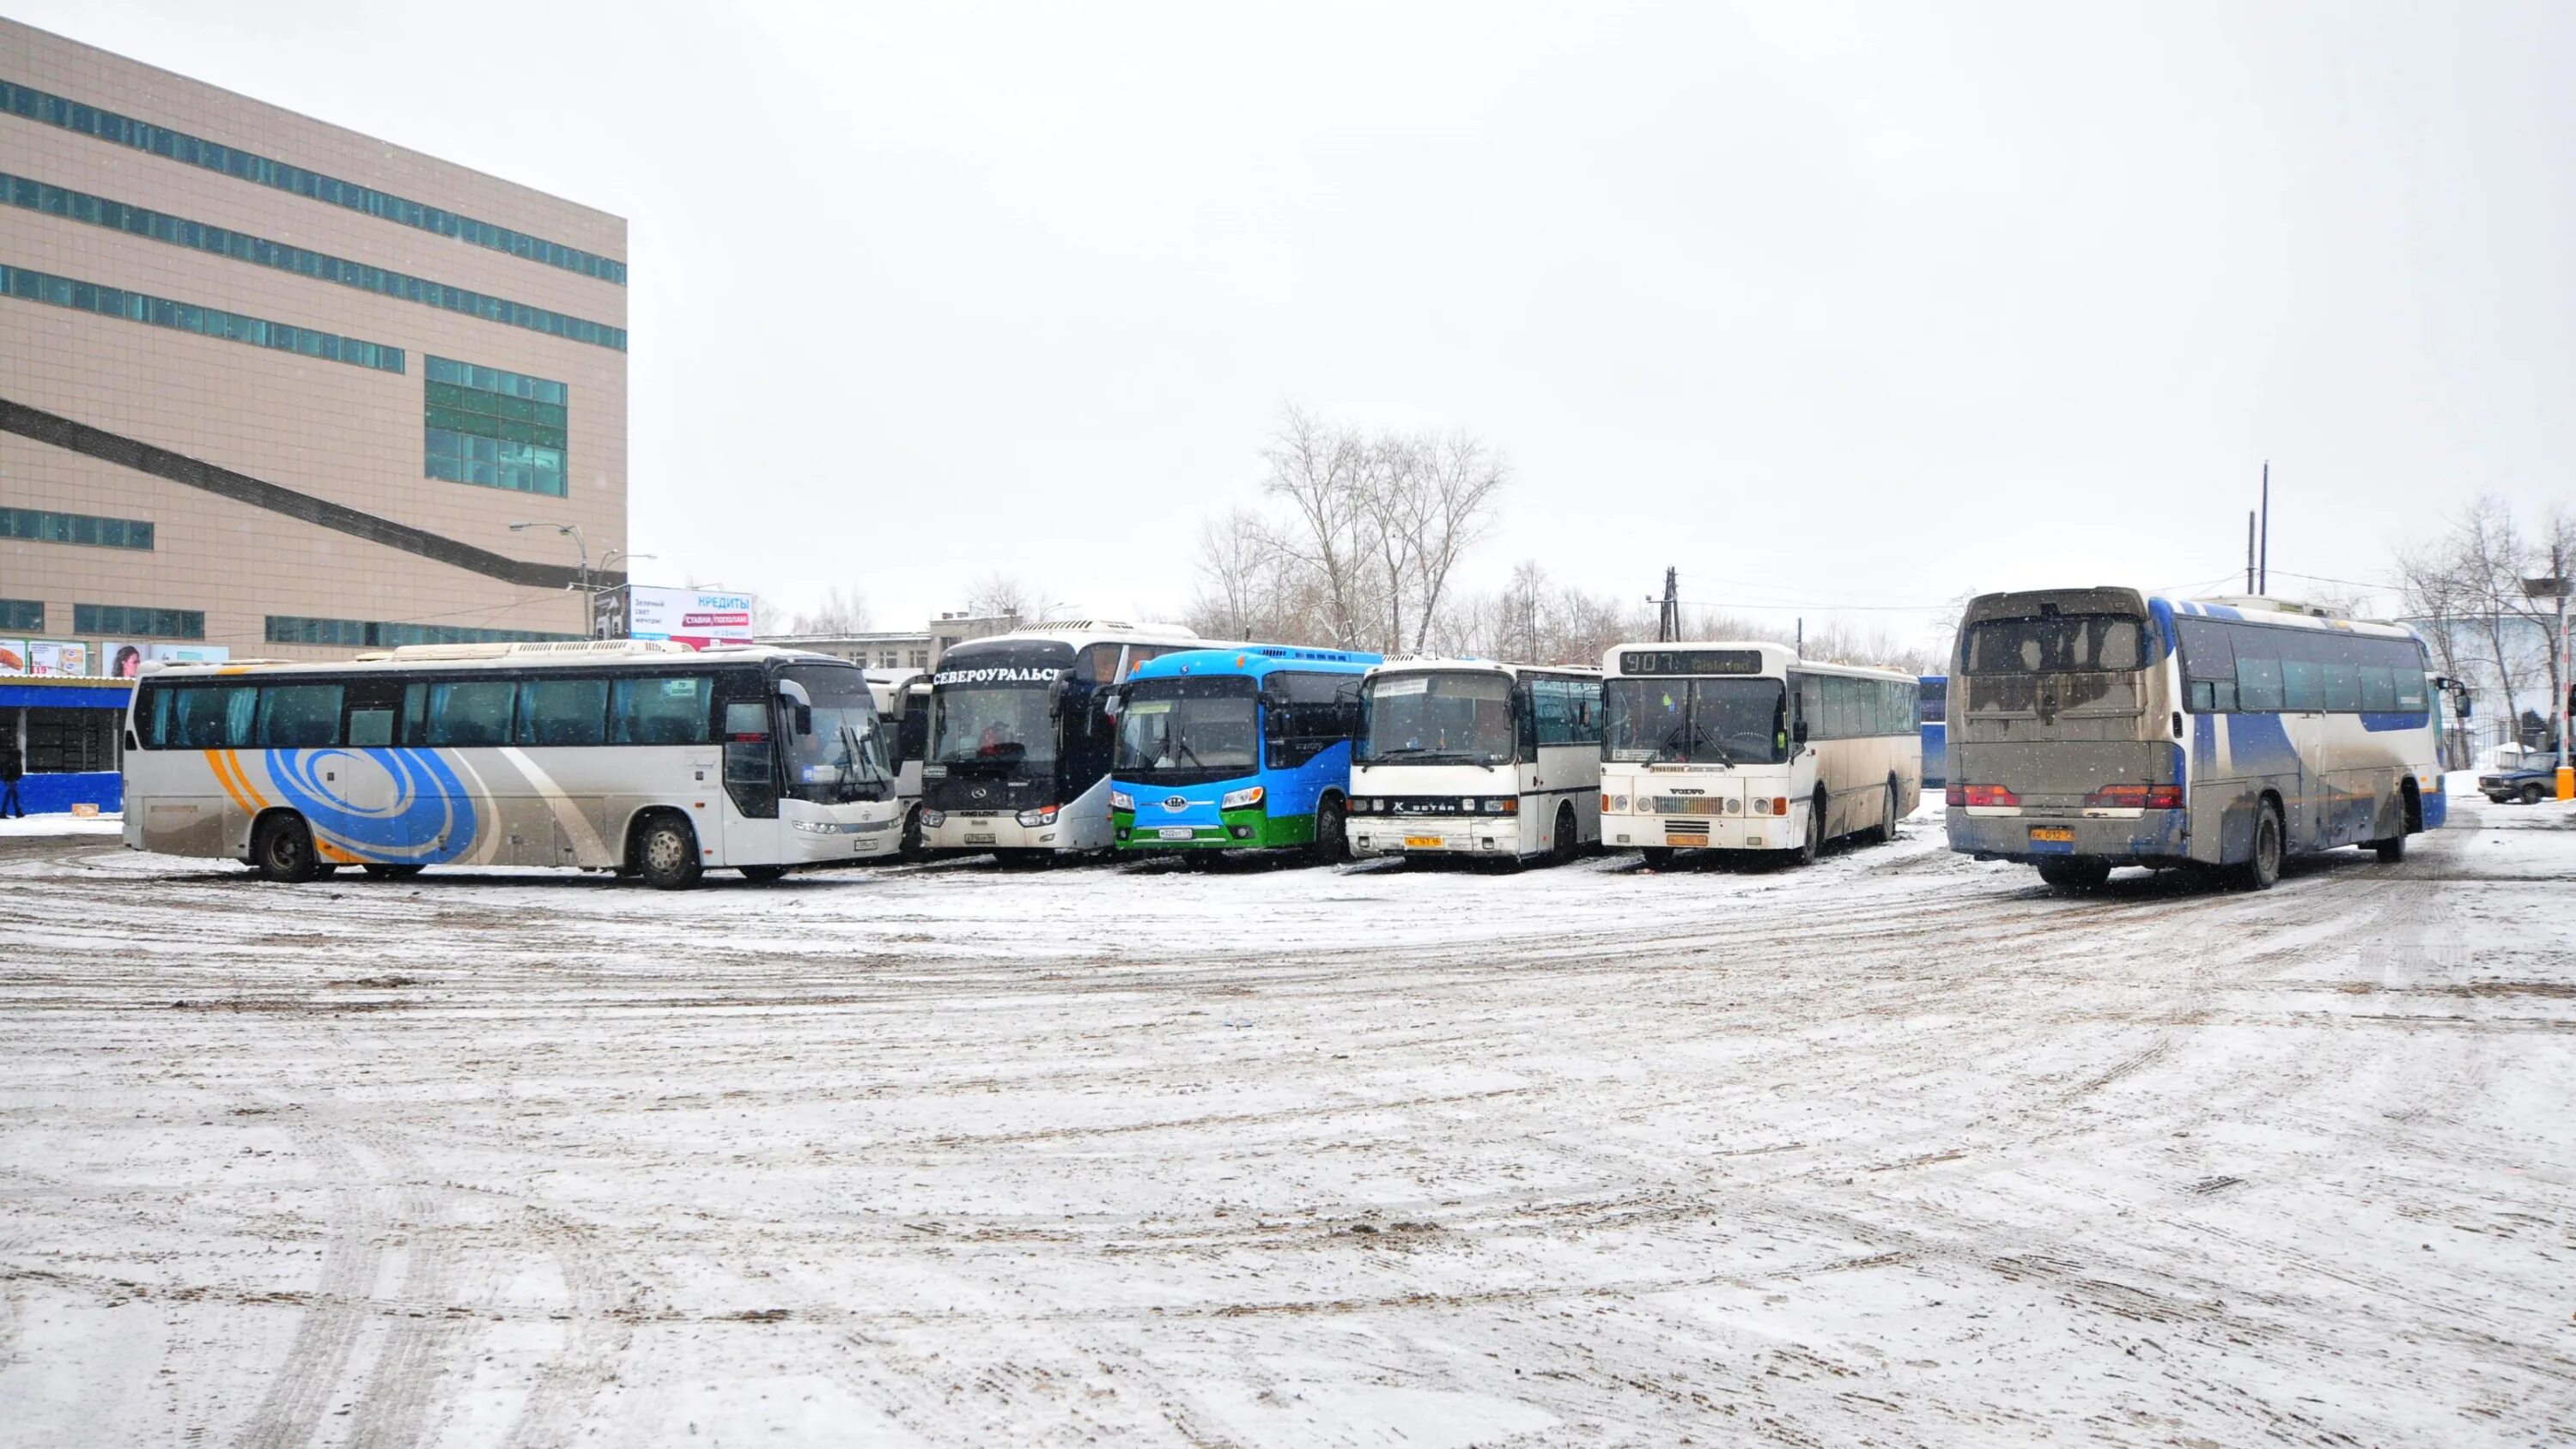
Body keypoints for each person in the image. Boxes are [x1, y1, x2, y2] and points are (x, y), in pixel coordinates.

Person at [0, 737, 23, 819]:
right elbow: (14, 772)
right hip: (12, 780)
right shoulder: (14, 762)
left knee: (14, 796)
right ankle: (4, 812)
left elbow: (4, 771)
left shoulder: (7, 760)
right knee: (10, 796)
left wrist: (5, 779)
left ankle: (17, 811)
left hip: (10, 780)